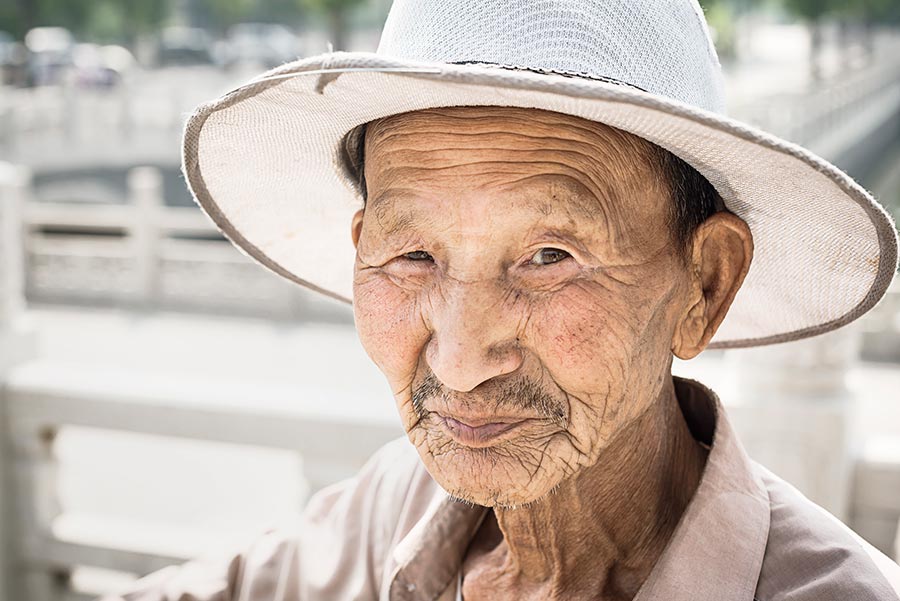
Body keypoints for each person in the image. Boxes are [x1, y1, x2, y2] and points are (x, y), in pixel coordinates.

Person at [106, 0, 900, 599]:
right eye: (412, 254)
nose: (458, 360)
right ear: (361, 251)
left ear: (705, 285)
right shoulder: (401, 506)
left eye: (550, 257)